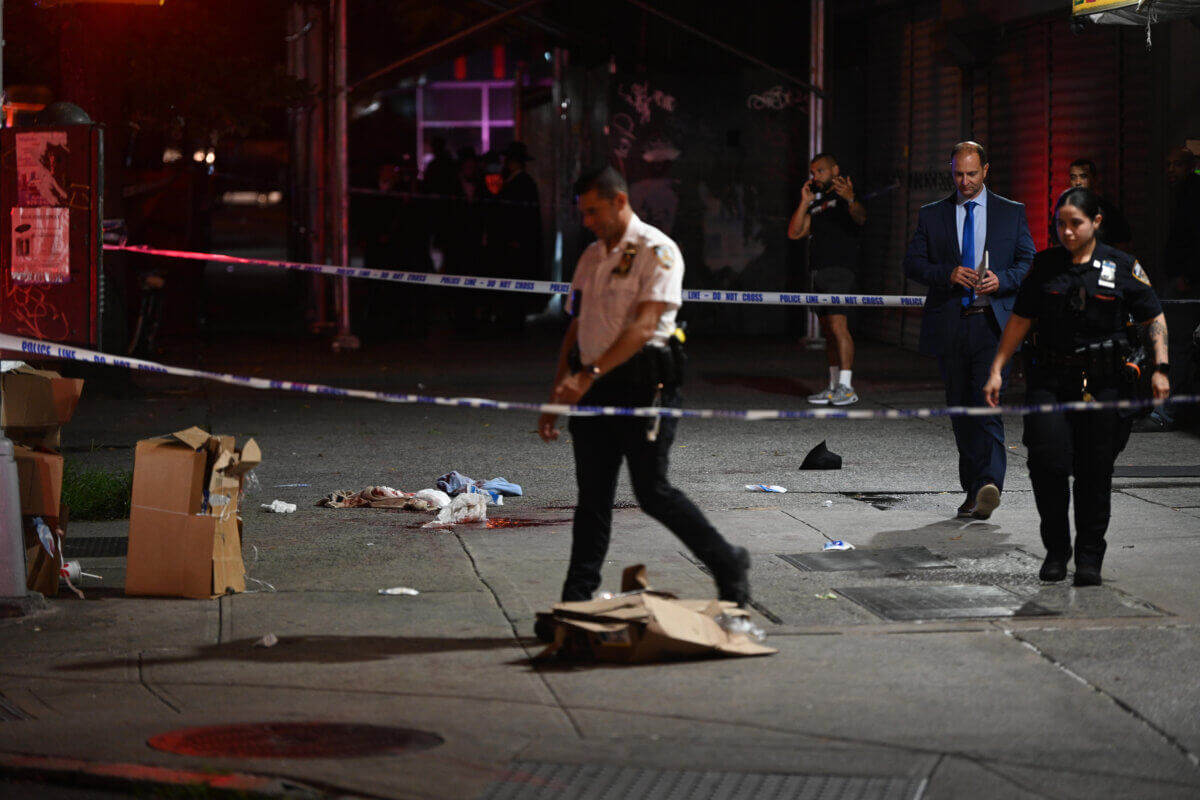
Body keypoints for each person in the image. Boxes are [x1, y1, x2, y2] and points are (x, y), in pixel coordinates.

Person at [536, 166, 750, 619]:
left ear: (619, 201)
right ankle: (576, 600)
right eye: (583, 213)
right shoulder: (591, 257)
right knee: (592, 497)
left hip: (643, 385)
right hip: (592, 388)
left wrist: (586, 375)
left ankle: (728, 561)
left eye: (594, 211)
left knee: (652, 491)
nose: (588, 221)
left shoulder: (657, 250)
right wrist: (560, 391)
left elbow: (645, 326)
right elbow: (576, 327)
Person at [983, 187, 1169, 586]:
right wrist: (998, 367)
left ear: (1096, 223)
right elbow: (1020, 319)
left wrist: (1161, 367)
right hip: (1050, 381)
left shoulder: (1122, 266)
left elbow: (1153, 316)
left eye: (1075, 224)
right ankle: (1056, 549)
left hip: (1103, 385)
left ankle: (1089, 556)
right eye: (1060, 225)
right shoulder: (1046, 266)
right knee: (1046, 465)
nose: (1066, 232)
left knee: (1094, 471)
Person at [903, 141, 1035, 520]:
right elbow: (912, 264)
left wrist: (1003, 280)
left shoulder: (1011, 213)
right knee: (961, 412)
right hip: (950, 325)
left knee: (986, 406)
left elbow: (1028, 260)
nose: (965, 181)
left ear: (986, 170)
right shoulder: (932, 215)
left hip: (993, 326)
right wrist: (946, 273)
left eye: (972, 174)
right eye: (958, 174)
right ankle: (973, 488)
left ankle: (989, 483)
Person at [787, 153, 867, 406]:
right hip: (817, 272)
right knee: (828, 333)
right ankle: (833, 386)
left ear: (835, 170)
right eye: (812, 172)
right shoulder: (818, 202)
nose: (815, 176)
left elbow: (862, 218)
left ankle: (846, 386)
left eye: (819, 171)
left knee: (838, 327)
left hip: (840, 271)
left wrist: (851, 199)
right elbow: (795, 233)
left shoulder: (847, 195)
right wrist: (804, 201)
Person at [1066, 159, 1132, 251]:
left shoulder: (1109, 212)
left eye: (1083, 177)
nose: (1078, 182)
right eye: (1073, 177)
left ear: (1094, 179)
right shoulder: (1063, 212)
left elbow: (1123, 247)